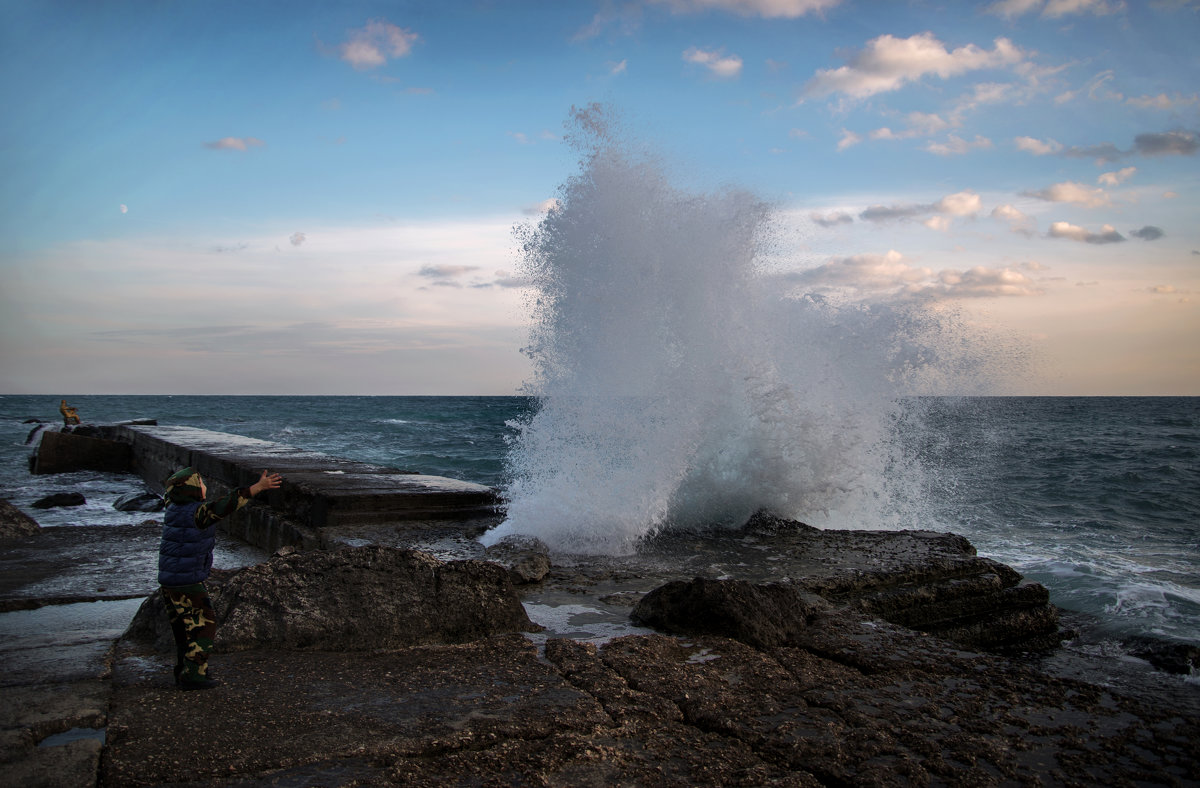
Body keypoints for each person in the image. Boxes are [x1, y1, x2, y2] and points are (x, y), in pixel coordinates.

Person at [159, 466, 282, 690]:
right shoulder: (197, 513)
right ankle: (194, 675)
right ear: (193, 490)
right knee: (204, 626)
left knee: (183, 630)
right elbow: (226, 505)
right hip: (187, 581)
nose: (206, 487)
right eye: (202, 483)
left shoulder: (173, 508)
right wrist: (258, 487)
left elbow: (171, 494)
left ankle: (184, 670)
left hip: (169, 581)